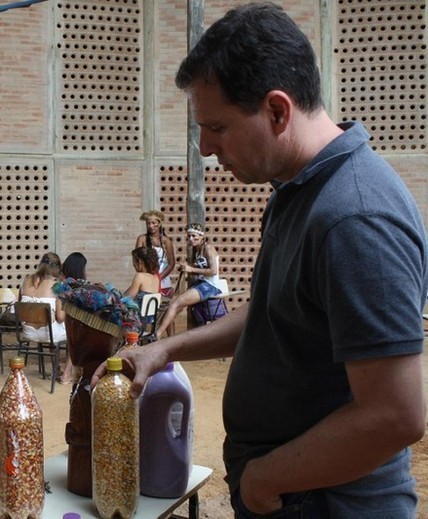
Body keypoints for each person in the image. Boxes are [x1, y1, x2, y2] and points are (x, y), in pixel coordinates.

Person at [93, 3, 426, 517]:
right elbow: (275, 314)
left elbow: (396, 415)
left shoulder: (354, 217)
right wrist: (166, 349)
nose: (205, 148)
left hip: (328, 503)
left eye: (218, 127)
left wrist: (265, 480)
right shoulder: (296, 193)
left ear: (277, 111)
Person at [155, 223, 224, 335]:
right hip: (202, 283)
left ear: (202, 237)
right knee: (173, 303)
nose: (191, 239)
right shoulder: (197, 250)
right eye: (189, 236)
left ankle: (157, 334)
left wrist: (191, 269)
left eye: (194, 236)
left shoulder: (208, 248)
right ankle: (169, 337)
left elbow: (213, 271)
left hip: (210, 286)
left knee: (175, 304)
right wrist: (186, 268)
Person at [19, 252, 70, 383]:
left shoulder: (26, 281)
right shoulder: (57, 285)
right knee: (73, 334)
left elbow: (20, 305)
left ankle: (55, 367)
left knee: (49, 323)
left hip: (28, 333)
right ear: (58, 268)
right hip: (48, 334)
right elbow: (60, 317)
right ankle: (67, 375)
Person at [59, 252, 88, 383]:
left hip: (52, 325)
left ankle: (63, 371)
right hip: (64, 325)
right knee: (77, 331)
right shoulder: (77, 288)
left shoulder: (60, 282)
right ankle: (66, 374)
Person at [135, 210, 176, 297]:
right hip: (146, 279)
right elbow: (137, 259)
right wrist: (148, 278)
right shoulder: (142, 239)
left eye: (153, 223)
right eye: (148, 224)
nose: (151, 226)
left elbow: (171, 263)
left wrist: (158, 278)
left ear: (159, 224)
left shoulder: (166, 241)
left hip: (163, 279)